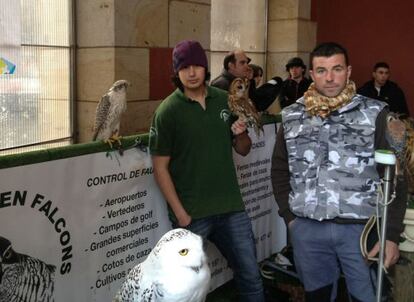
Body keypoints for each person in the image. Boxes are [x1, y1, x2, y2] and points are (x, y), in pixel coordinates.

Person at [271, 42, 407, 301]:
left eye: (337, 69)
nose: (330, 77)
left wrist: (390, 236)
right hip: (307, 229)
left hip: (360, 231)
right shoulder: (292, 116)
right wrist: (290, 218)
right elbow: (279, 169)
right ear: (311, 74)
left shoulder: (375, 114)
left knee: (367, 296)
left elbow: (396, 178)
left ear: (348, 71)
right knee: (319, 297)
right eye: (321, 71)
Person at [149, 40, 265, 302]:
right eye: (185, 67)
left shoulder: (226, 100)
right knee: (185, 289)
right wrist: (181, 214)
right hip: (193, 215)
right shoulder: (167, 112)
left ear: (206, 68)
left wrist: (241, 133)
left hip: (231, 207)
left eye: (197, 66)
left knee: (250, 276)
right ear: (176, 72)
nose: (191, 73)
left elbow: (244, 149)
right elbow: (160, 168)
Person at [211, 49, 283, 111]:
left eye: (246, 62)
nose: (247, 66)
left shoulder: (242, 82)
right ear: (231, 66)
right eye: (242, 63)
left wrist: (250, 81)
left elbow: (253, 104)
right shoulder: (220, 84)